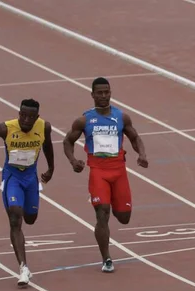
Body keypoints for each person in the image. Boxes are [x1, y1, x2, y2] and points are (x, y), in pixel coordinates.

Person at [63, 77, 148, 273]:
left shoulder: (121, 117)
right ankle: (106, 258)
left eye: (106, 92)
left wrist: (141, 154)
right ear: (92, 95)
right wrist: (73, 160)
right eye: (99, 93)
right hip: (98, 171)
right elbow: (67, 141)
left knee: (124, 217)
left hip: (118, 171)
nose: (103, 96)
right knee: (102, 214)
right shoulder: (84, 120)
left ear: (110, 93)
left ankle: (116, 211)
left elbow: (135, 138)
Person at [0, 99, 55, 287]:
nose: (26, 120)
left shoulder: (44, 128)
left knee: (30, 218)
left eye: (30, 117)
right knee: (14, 216)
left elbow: (48, 146)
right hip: (12, 177)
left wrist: (51, 168)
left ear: (37, 117)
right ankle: (23, 267)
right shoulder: (6, 128)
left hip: (30, 179)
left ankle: (27, 214)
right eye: (23, 115)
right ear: (18, 114)